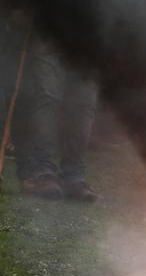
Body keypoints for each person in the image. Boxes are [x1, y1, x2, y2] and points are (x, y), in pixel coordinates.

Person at [16, 37, 99, 201]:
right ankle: (44, 172)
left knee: (82, 103)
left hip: (91, 28)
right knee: (49, 97)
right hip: (53, 23)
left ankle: (73, 176)